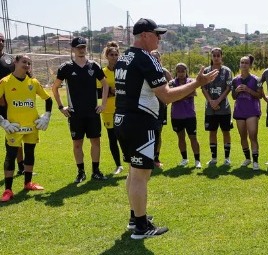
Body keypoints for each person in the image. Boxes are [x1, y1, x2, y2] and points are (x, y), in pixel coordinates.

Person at [114, 18, 218, 239]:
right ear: (144, 35)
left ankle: (136, 218)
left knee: (134, 172)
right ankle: (141, 227)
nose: (159, 38)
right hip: (140, 122)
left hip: (123, 120)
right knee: (141, 174)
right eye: (156, 34)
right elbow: (167, 96)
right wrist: (197, 83)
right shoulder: (145, 59)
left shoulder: (124, 57)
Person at [51, 37, 109, 183]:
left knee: (96, 142)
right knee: (77, 144)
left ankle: (96, 171)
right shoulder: (66, 67)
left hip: (92, 112)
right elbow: (55, 87)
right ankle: (80, 172)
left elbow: (105, 85)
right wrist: (60, 106)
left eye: (83, 47)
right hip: (75, 113)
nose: (81, 49)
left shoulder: (94, 66)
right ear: (73, 49)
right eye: (78, 47)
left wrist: (103, 104)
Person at [0, 55, 52, 202]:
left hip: (31, 126)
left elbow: (48, 99)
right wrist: (4, 122)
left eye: (29, 63)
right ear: (15, 63)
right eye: (24, 62)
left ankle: (28, 183)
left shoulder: (33, 82)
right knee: (10, 156)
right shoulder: (5, 82)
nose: (27, 65)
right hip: (13, 128)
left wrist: (46, 116)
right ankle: (8, 190)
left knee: (30, 153)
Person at [202, 47, 233, 166]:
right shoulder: (206, 71)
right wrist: (210, 101)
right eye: (214, 55)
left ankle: (227, 158)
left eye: (218, 55)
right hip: (210, 108)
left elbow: (228, 87)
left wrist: (218, 100)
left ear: (221, 57)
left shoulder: (227, 71)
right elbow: (203, 87)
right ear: (211, 57)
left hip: (224, 108)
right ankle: (214, 158)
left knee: (226, 132)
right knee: (212, 132)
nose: (216, 58)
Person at [232, 55, 262, 171]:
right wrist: (236, 91)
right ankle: (247, 158)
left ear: (250, 65)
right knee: (242, 136)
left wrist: (249, 90)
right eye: (242, 62)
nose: (244, 65)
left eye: (246, 63)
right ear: (239, 64)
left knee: (253, 135)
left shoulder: (256, 79)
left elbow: (259, 95)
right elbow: (234, 97)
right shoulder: (235, 80)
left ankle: (255, 161)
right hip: (240, 110)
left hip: (252, 111)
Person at [169, 63, 201, 169]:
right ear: (176, 72)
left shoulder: (191, 82)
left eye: (183, 71)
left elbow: (194, 93)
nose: (181, 73)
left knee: (193, 137)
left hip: (190, 115)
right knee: (181, 138)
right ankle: (184, 159)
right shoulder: (172, 83)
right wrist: (185, 95)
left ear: (186, 71)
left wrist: (178, 96)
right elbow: (171, 98)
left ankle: (197, 160)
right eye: (179, 71)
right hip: (176, 116)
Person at [98, 42, 123, 175]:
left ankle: (130, 161)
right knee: (112, 138)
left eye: (116, 54)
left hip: (123, 109)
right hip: (108, 110)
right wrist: (112, 92)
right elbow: (97, 92)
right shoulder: (102, 73)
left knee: (124, 136)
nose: (114, 57)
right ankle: (118, 165)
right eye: (111, 55)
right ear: (107, 56)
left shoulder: (123, 70)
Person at [0, 33, 24, 176]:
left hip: (9, 105)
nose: (0, 42)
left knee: (16, 133)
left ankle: (21, 166)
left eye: (2, 40)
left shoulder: (10, 60)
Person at [149, 50, 173, 169]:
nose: (154, 60)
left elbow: (173, 84)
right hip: (148, 106)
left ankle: (156, 158)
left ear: (160, 59)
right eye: (152, 57)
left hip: (161, 107)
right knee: (148, 132)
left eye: (156, 58)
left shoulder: (164, 71)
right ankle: (148, 158)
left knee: (158, 133)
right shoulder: (146, 70)